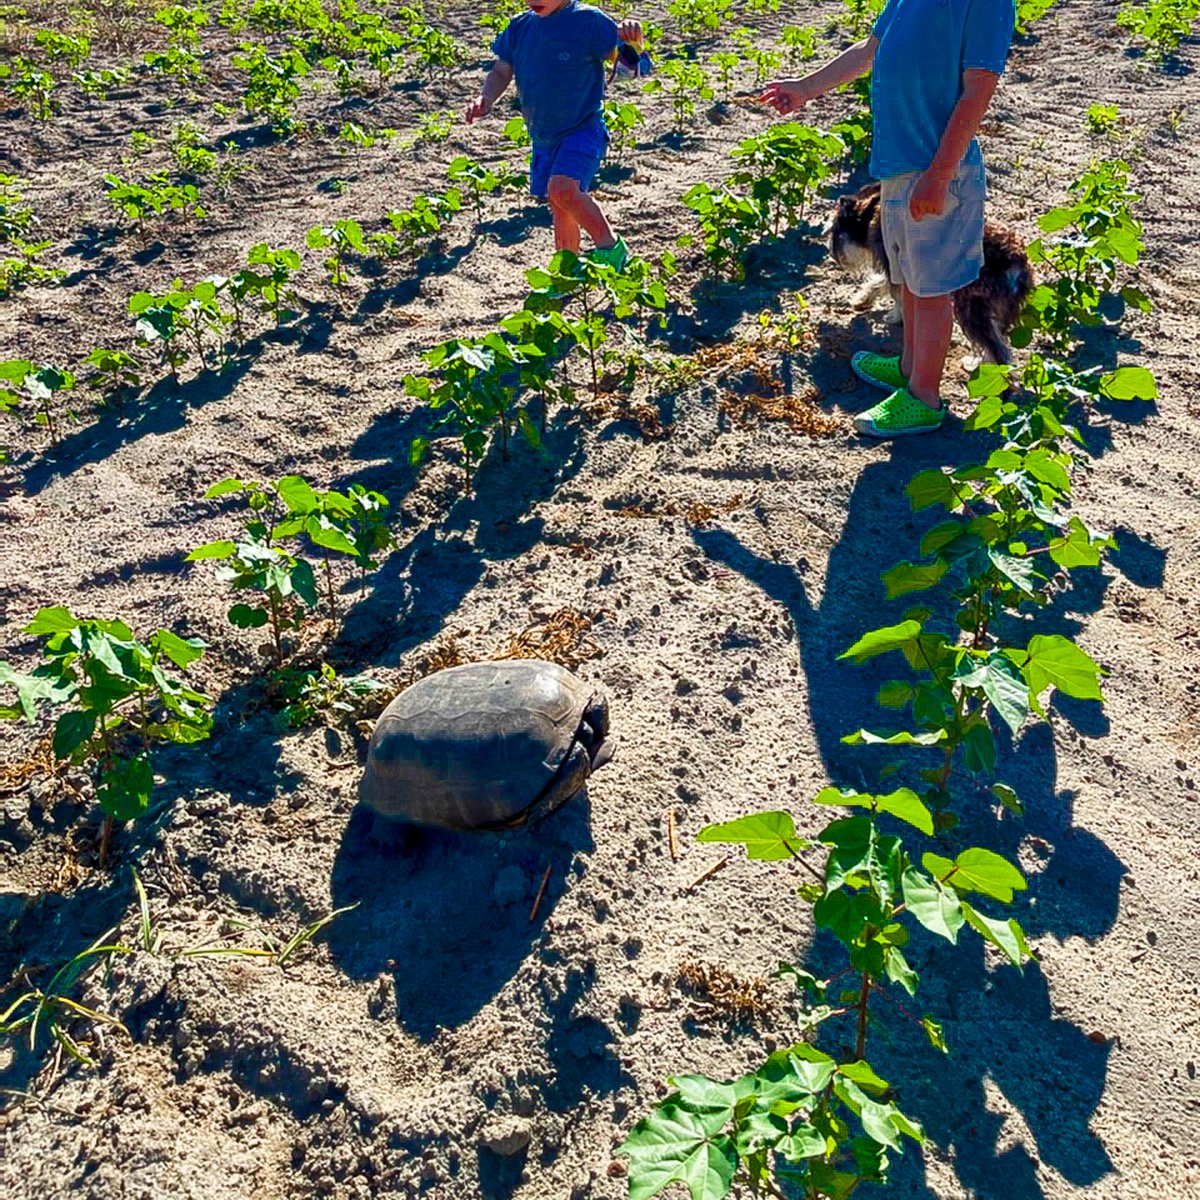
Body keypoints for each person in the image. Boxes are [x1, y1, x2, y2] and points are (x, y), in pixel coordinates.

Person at [763, 0, 1016, 438]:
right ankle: (907, 366)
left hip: (940, 170)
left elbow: (978, 90)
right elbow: (868, 51)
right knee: (910, 280)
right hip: (899, 168)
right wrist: (806, 87)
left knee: (932, 287)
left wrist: (939, 176)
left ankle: (923, 397)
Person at [465, 0, 643, 270]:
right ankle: (566, 269)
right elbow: (502, 71)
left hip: (583, 128)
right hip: (544, 136)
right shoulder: (520, 27)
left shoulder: (588, 21)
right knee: (560, 205)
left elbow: (629, 72)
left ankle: (611, 246)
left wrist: (634, 43)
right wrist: (485, 99)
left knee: (562, 189)